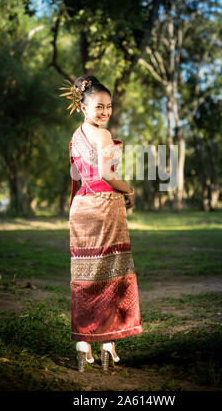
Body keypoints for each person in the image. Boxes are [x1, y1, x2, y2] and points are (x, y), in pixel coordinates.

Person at [61, 75, 143, 372]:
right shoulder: (103, 135)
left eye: (109, 106)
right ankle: (108, 344)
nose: (105, 112)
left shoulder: (75, 136)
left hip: (81, 208)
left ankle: (83, 344)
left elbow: (78, 178)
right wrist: (129, 190)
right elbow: (108, 176)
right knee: (112, 275)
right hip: (105, 207)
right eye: (99, 106)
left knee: (84, 276)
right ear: (83, 107)